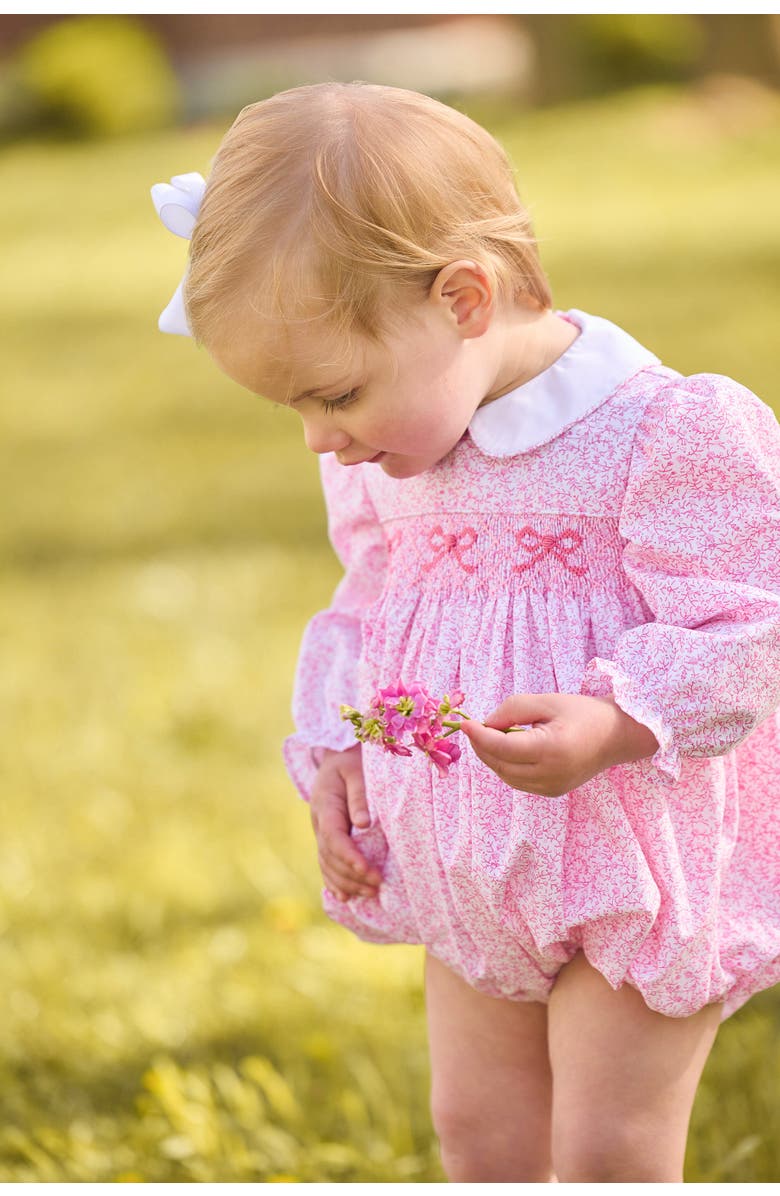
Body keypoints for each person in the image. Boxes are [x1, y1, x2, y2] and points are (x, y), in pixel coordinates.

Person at [151, 81, 780, 1183]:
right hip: (468, 869)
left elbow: (752, 621)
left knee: (607, 1152)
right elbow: (366, 608)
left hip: (632, 867)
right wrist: (340, 753)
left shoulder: (664, 431)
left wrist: (616, 714)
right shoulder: (395, 459)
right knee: (482, 1140)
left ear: (465, 299)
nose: (318, 440)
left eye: (334, 393)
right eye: (295, 407)